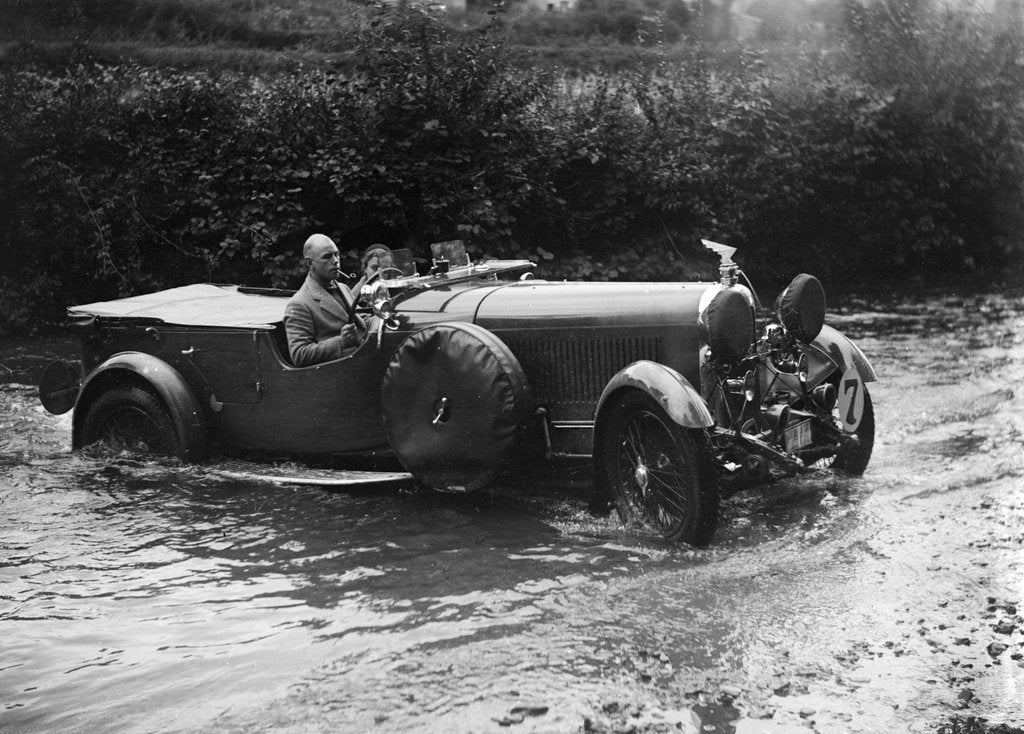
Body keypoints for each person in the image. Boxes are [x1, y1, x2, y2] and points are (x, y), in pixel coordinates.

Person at [284, 234, 365, 367]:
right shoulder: (300, 303)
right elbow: (299, 354)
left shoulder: (343, 288)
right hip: (338, 373)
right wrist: (340, 342)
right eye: (327, 256)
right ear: (310, 263)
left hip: (362, 359)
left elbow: (362, 320)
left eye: (336, 254)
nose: (336, 261)